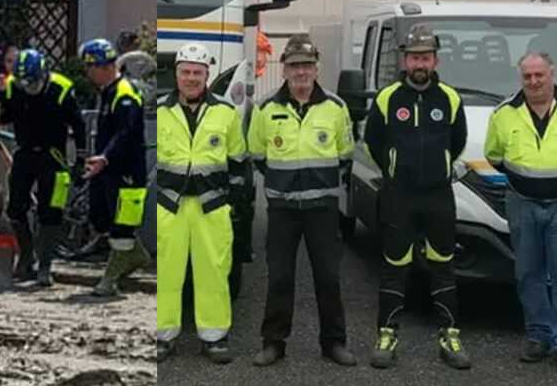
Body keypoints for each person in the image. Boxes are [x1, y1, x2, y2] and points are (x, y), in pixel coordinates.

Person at [364, 25, 470, 370]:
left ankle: (449, 336)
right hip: (400, 198)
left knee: (443, 267)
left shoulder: (450, 99)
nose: (419, 63)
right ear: (405, 60)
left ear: (435, 59)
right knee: (395, 269)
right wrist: (396, 171)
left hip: (438, 197)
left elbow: (457, 143)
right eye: (413, 57)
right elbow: (373, 142)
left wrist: (435, 171)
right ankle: (387, 336)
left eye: (425, 56)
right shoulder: (387, 98)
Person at [247, 33, 356, 367]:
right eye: (294, 65)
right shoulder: (266, 109)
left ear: (317, 69)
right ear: (284, 70)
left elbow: (344, 155)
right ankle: (273, 343)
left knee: (328, 277)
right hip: (282, 208)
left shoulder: (336, 108)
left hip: (322, 209)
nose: (301, 72)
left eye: (307, 65)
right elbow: (258, 155)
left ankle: (334, 343)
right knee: (279, 278)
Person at [155, 43, 246, 364]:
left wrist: (232, 202)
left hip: (212, 205)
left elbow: (238, 162)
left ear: (208, 75)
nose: (191, 78)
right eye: (186, 72)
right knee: (166, 274)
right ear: (175, 74)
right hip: (169, 205)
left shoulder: (225, 111)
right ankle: (163, 337)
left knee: (214, 273)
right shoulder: (159, 110)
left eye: (198, 72)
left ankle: (214, 337)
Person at [485, 51, 557, 363]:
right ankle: (539, 336)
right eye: (527, 76)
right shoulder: (504, 113)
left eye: (539, 74)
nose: (534, 81)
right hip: (522, 203)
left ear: (552, 74)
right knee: (529, 274)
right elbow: (494, 155)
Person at [0, 48, 86, 286]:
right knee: (15, 208)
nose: (28, 88)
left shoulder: (61, 89)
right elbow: (3, 118)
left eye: (32, 83)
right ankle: (26, 255)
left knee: (50, 212)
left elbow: (79, 125)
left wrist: (81, 159)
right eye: (24, 83)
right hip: (24, 153)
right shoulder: (14, 85)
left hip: (52, 156)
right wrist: (0, 96)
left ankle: (45, 266)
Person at [78, 38, 151, 296]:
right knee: (101, 217)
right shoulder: (107, 92)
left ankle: (110, 278)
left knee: (122, 225)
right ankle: (136, 254)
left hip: (127, 170)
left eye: (91, 67)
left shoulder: (126, 93)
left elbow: (126, 133)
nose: (89, 73)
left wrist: (105, 157)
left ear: (105, 66)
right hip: (107, 169)